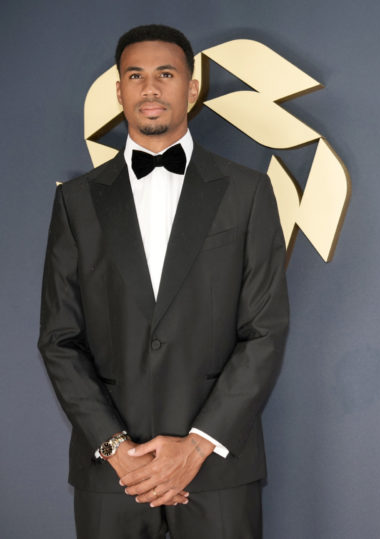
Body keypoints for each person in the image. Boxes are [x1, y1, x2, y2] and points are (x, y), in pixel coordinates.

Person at [38, 24, 289, 538]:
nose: (150, 89)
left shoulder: (248, 192)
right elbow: (59, 338)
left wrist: (196, 445)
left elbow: (265, 330)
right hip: (113, 475)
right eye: (136, 76)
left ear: (192, 89)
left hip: (218, 470)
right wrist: (115, 449)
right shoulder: (77, 201)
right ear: (120, 90)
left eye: (166, 74)